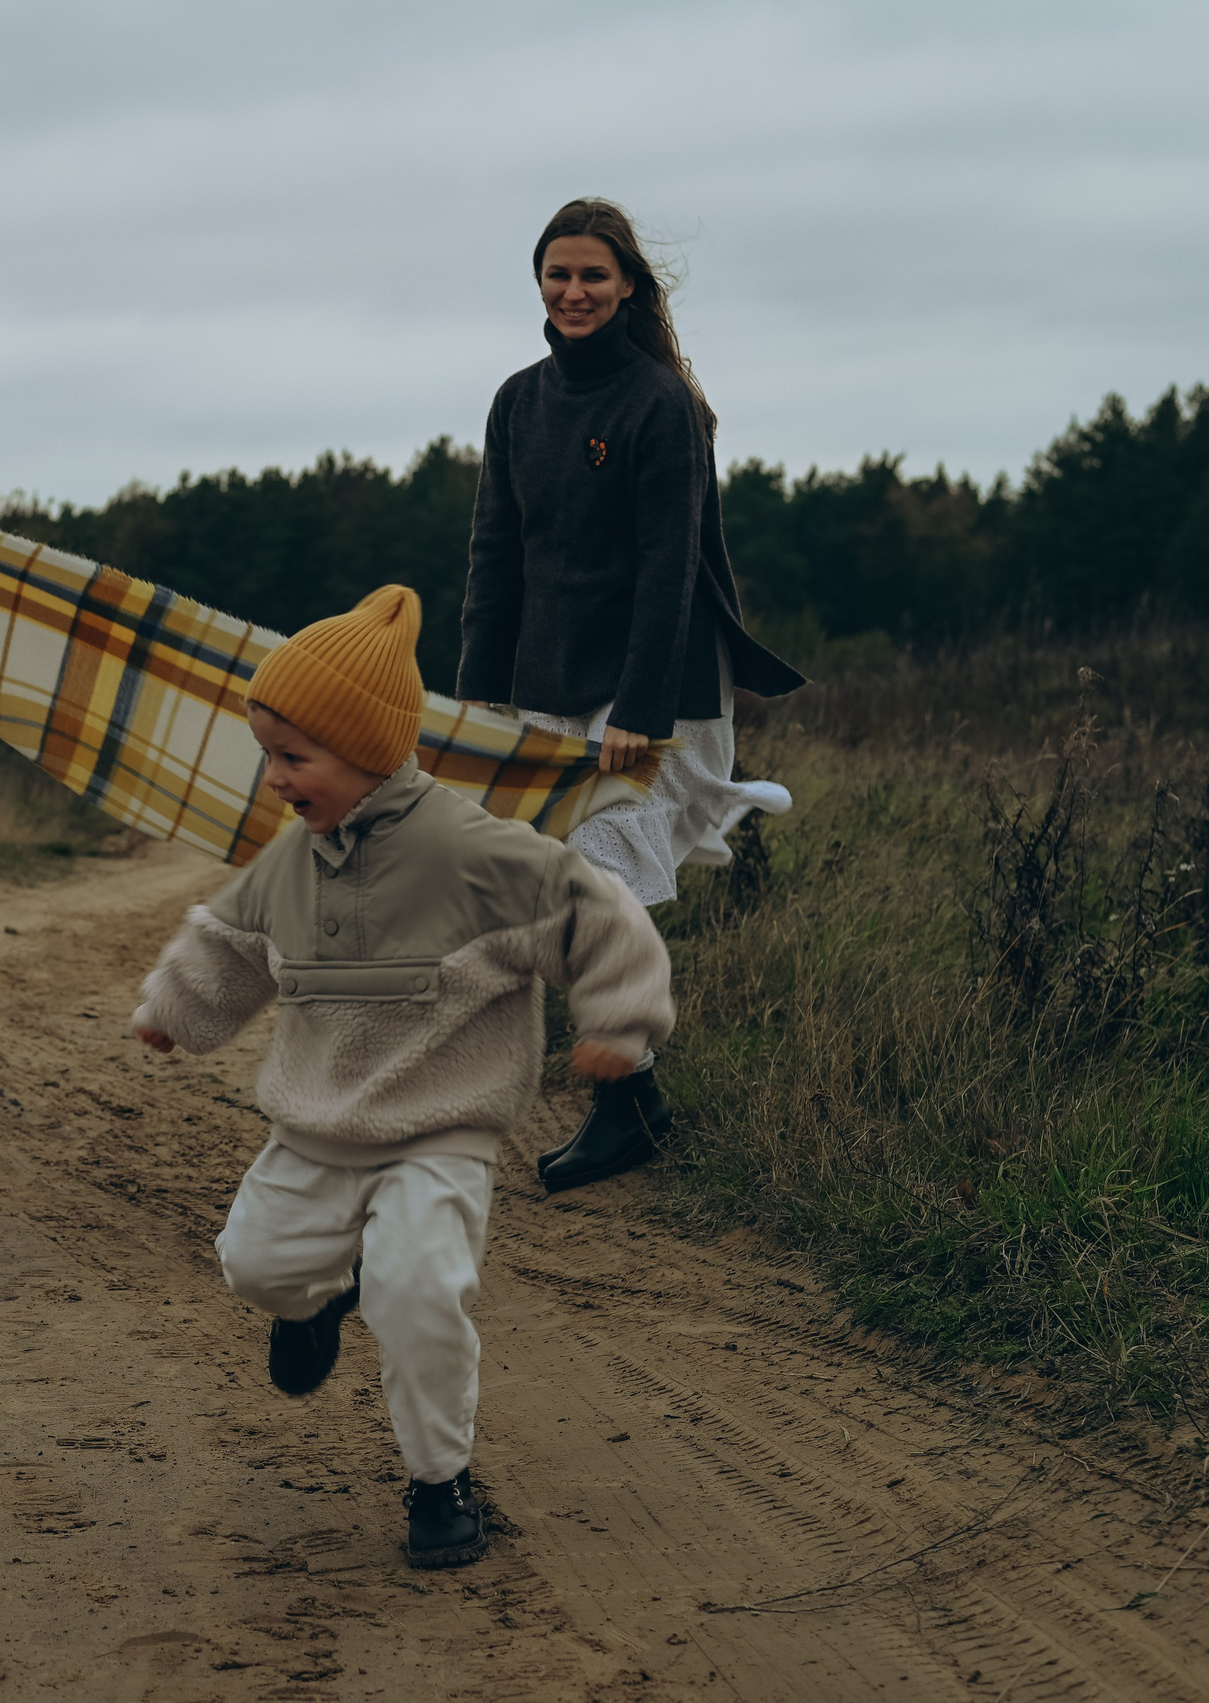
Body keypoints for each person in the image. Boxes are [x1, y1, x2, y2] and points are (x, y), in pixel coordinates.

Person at [131, 586, 675, 1568]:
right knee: (253, 1262)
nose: (273, 780)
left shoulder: (472, 854)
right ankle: (312, 1301)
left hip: (441, 1127)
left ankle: (438, 1480)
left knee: (418, 1287)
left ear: (370, 748)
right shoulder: (294, 861)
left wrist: (619, 1025)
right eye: (268, 754)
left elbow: (599, 914)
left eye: (293, 757)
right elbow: (228, 938)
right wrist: (174, 1011)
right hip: (315, 1125)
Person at [456, 196, 806, 1195]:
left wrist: (639, 712)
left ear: (627, 289)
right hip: (547, 682)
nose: (573, 292)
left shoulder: (659, 404)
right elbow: (494, 558)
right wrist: (479, 701)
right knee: (545, 888)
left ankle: (626, 1100)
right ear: (540, 283)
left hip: (654, 686)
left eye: (592, 277)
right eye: (558, 275)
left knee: (598, 880)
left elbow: (668, 568)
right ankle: (628, 1096)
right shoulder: (517, 402)